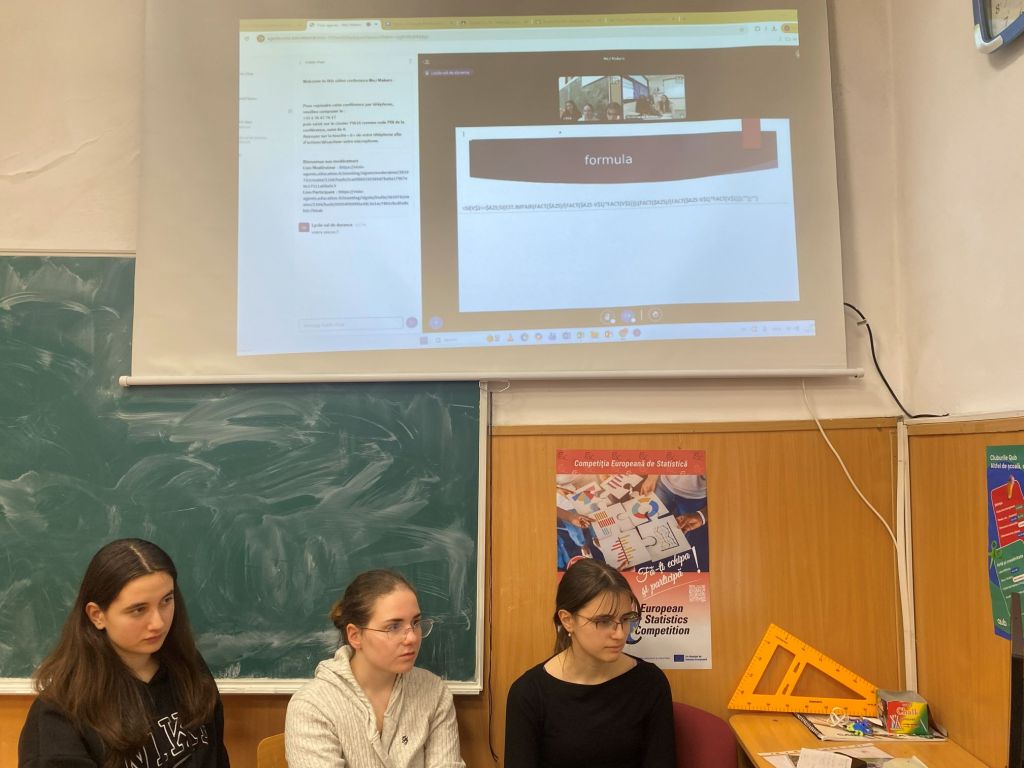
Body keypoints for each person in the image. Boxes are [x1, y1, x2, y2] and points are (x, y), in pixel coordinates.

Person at [18, 538, 229, 768]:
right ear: (97, 615)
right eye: (138, 610)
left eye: (166, 600)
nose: (158, 623)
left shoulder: (188, 666)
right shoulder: (58, 716)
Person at [504, 559, 676, 768]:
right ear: (567, 620)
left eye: (626, 619)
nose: (620, 634)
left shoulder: (650, 682)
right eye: (603, 621)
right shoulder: (529, 693)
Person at [285, 570, 464, 768]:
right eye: (393, 627)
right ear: (355, 636)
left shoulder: (433, 692)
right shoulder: (313, 705)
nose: (412, 638)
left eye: (415, 622)